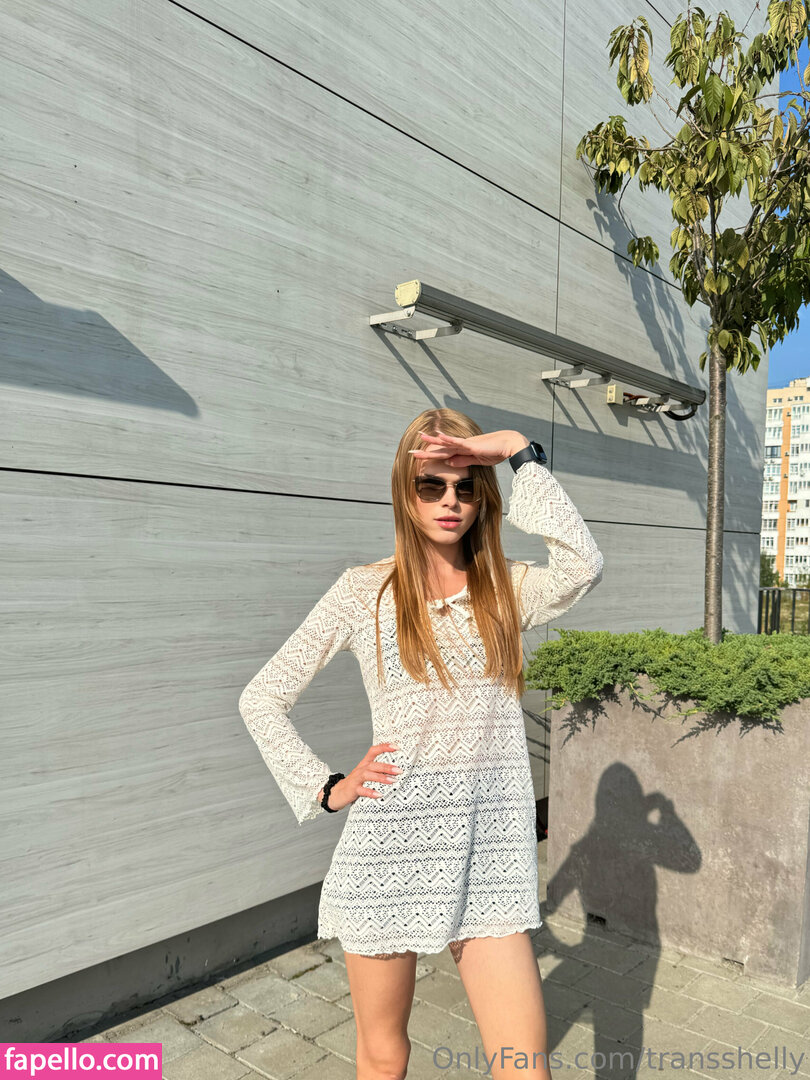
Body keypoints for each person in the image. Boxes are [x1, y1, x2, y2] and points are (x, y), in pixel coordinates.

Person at [238, 408, 604, 1079]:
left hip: (490, 852)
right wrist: (326, 788)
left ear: (483, 497)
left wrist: (516, 451)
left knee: (526, 1066)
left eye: (465, 487)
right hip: (391, 848)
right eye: (431, 485)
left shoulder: (508, 588)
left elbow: (584, 565)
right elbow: (262, 698)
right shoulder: (363, 592)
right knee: (384, 1059)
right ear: (404, 494)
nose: (449, 501)